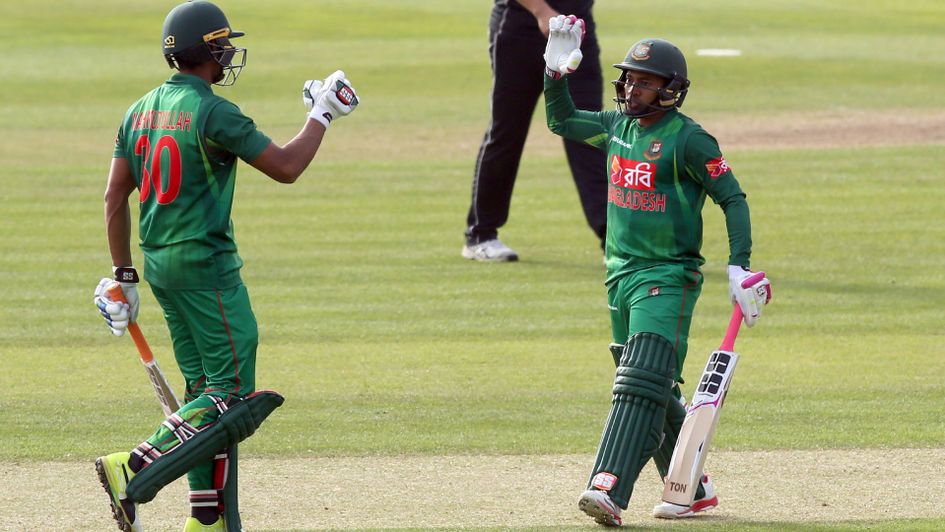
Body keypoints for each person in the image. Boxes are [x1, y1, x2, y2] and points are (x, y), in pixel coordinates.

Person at [91, 1, 359, 531]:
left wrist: (123, 277)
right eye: (225, 45)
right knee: (230, 394)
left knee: (202, 400)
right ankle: (133, 466)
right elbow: (285, 167)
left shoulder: (139, 109)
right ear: (209, 51)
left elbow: (114, 196)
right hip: (208, 270)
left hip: (161, 266)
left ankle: (207, 519)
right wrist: (321, 114)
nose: (230, 53)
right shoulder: (213, 111)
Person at [542, 16, 771, 526]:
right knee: (652, 380)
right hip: (618, 276)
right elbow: (561, 123)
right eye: (629, 78)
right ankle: (691, 486)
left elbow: (732, 199)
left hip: (668, 276)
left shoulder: (690, 141)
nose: (632, 88)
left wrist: (740, 267)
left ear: (672, 90)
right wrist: (554, 75)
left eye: (645, 81)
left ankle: (608, 487)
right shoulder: (616, 127)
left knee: (640, 379)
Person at [462, 0, 607, 262]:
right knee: (508, 132)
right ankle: (481, 235)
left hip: (575, 27)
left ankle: (613, 237)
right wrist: (541, 11)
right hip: (522, 27)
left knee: (589, 132)